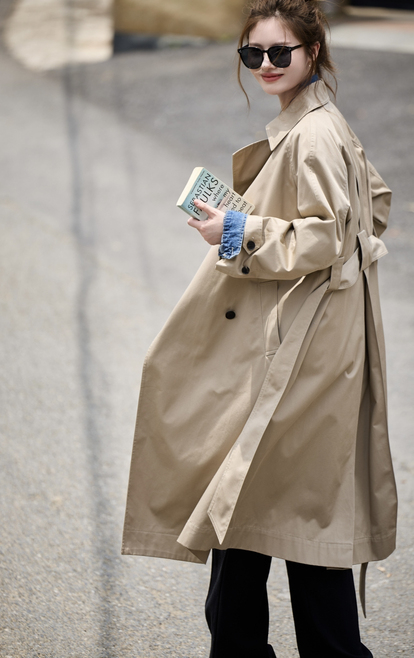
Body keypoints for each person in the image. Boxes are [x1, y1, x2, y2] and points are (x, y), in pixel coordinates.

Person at [122, 0, 398, 656]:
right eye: (253, 54)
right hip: (308, 349)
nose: (266, 65)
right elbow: (374, 204)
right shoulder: (320, 122)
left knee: (267, 513)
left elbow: (329, 234)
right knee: (267, 517)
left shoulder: (314, 134)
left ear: (313, 52)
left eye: (281, 52)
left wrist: (238, 230)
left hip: (301, 360)